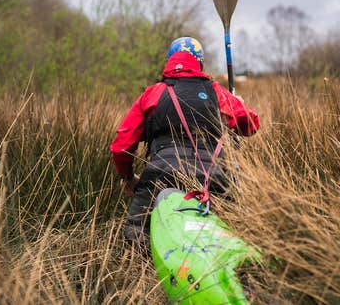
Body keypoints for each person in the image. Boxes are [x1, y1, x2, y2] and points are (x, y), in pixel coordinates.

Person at [110, 36, 260, 246]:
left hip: (159, 179)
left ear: (169, 60)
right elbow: (251, 126)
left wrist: (127, 177)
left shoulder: (153, 94)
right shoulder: (217, 92)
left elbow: (121, 147)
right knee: (230, 235)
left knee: (136, 234)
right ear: (199, 63)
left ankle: (154, 273)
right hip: (214, 180)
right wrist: (241, 105)